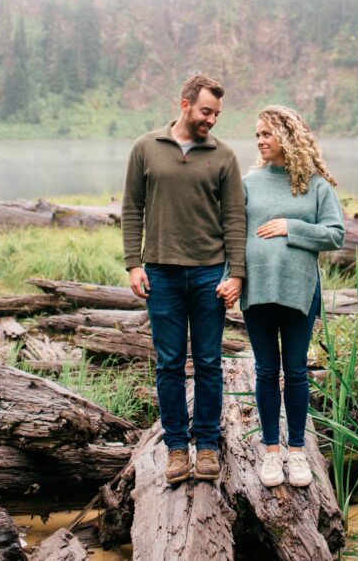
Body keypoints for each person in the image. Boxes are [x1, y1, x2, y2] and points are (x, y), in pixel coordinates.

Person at [121, 74, 247, 484]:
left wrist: (238, 275)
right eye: (206, 111)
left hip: (210, 272)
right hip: (160, 273)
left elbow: (234, 220)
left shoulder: (224, 156)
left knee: (210, 363)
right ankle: (176, 447)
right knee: (170, 364)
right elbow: (132, 209)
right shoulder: (145, 148)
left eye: (216, 114)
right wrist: (133, 264)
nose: (211, 119)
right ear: (185, 105)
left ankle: (207, 444)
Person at [239, 106, 344, 488]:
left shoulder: (316, 185)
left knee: (296, 370)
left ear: (287, 136)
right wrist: (228, 279)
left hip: (300, 291)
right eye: (257, 135)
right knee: (266, 371)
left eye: (266, 133)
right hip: (257, 290)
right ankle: (270, 451)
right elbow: (232, 236)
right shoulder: (248, 182)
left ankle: (297, 451)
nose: (260, 141)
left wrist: (291, 226)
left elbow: (335, 234)